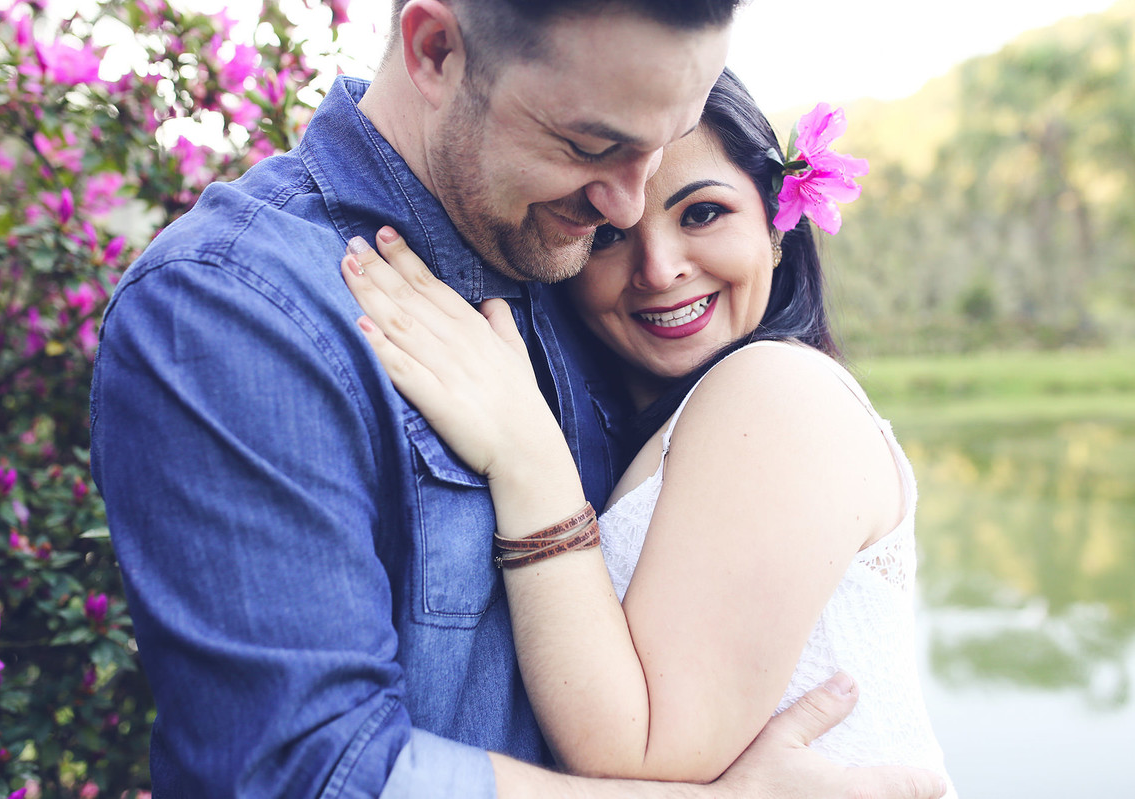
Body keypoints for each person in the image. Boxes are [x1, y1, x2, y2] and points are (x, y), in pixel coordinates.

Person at [89, 0, 948, 795]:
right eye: (590, 145)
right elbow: (310, 773)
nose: (624, 204)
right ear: (436, 50)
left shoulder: (572, 268)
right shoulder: (236, 305)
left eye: (669, 142)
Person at [340, 68, 956, 793]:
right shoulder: (675, 412)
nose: (660, 270)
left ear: (776, 225)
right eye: (610, 237)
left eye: (702, 214)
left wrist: (525, 456)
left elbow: (638, 749)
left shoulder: (777, 391)